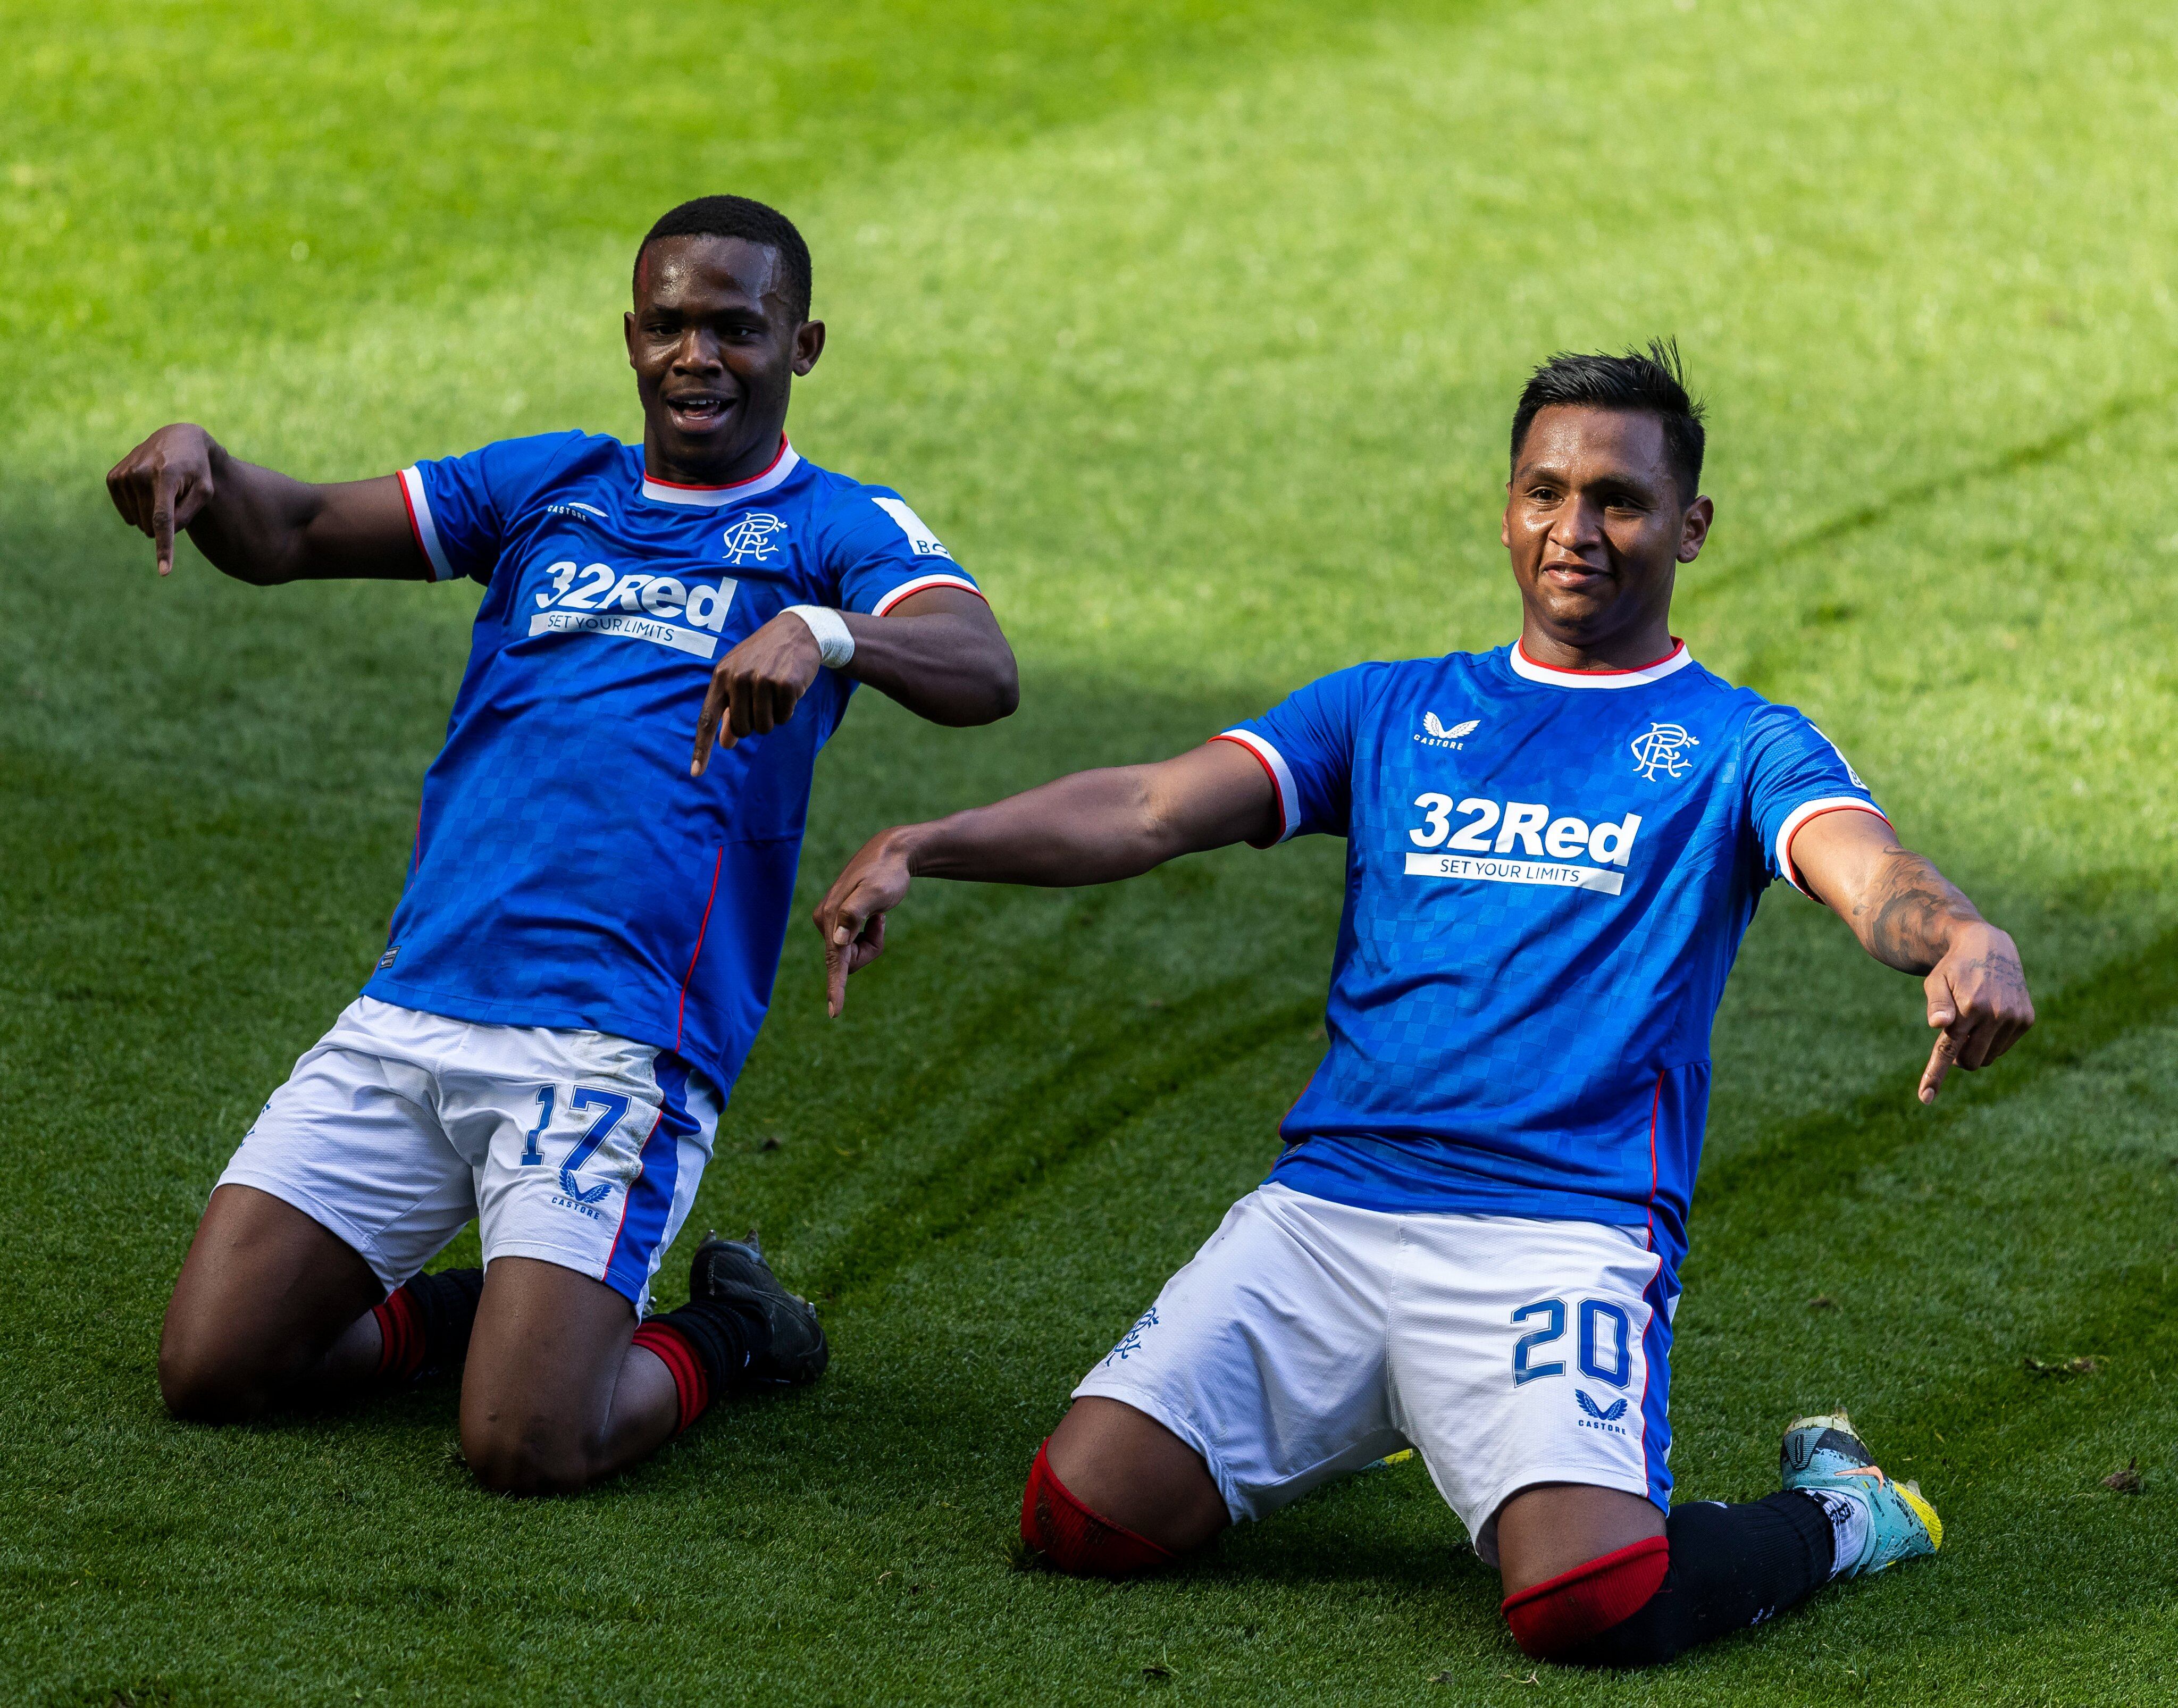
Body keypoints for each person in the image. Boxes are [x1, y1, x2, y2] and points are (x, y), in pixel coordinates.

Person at [810, 345, 2033, 1666]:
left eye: (1617, 500)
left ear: (1688, 526)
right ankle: (1391, 1406)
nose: (1575, 530)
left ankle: (1838, 1513)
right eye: (1544, 491)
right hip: (1329, 1215)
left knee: (1591, 1604)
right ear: (1506, 505)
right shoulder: (1390, 709)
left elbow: (1865, 867)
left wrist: (1956, 933)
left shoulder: (1739, 744)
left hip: (1556, 1234)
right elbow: (1150, 805)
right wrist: (928, 840)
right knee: (1081, 1516)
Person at [108, 194, 1018, 1494]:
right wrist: (202, 466)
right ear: (632, 335)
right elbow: (292, 529)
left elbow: (983, 667)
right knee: (216, 1371)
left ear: (801, 345)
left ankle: (728, 1330)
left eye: (734, 328)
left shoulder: (835, 528)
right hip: (414, 1009)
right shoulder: (549, 486)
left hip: (616, 1041)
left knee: (530, 1444)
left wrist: (829, 633)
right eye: (667, 325)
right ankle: (489, 1312)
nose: (695, 356)